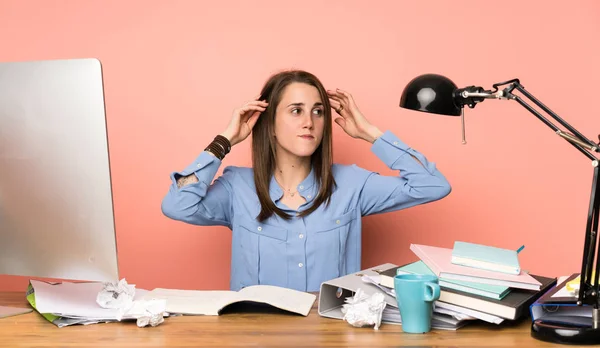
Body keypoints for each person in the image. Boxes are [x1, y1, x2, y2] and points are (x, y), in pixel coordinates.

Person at [161, 70, 451, 292]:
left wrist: (370, 132)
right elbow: (177, 205)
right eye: (296, 111)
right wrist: (222, 143)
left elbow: (432, 185)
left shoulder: (351, 184)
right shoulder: (237, 188)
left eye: (318, 111)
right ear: (270, 124)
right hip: (255, 338)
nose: (309, 122)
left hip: (332, 338)